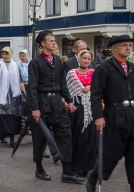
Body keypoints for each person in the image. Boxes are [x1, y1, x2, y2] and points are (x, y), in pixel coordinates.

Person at [27, 30, 84, 183]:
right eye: (50, 40)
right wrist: (35, 108)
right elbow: (32, 87)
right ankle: (39, 168)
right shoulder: (35, 62)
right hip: (41, 102)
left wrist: (69, 101)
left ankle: (67, 172)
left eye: (54, 40)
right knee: (39, 138)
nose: (54, 42)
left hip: (57, 103)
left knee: (65, 135)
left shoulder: (58, 60)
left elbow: (62, 83)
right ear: (42, 44)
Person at [87, 35, 134, 192]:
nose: (128, 48)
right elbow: (95, 95)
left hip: (132, 114)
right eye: (124, 45)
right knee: (112, 153)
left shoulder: (132, 68)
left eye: (129, 45)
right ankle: (94, 177)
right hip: (114, 114)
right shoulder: (104, 68)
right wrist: (98, 116)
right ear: (114, 49)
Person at [66, 50, 97, 174]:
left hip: (90, 109)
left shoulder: (94, 73)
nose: (86, 61)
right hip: (77, 107)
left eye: (89, 59)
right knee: (77, 136)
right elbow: (67, 91)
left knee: (89, 138)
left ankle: (87, 166)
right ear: (79, 58)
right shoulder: (72, 74)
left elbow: (100, 88)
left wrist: (91, 87)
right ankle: (75, 165)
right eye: (84, 58)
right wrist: (68, 104)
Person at [0, 47, 22, 148]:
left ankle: (12, 138)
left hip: (13, 94)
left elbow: (20, 79)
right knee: (3, 114)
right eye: (3, 54)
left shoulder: (15, 65)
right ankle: (2, 134)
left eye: (6, 54)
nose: (4, 56)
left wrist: (24, 93)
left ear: (10, 54)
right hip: (2, 93)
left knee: (12, 115)